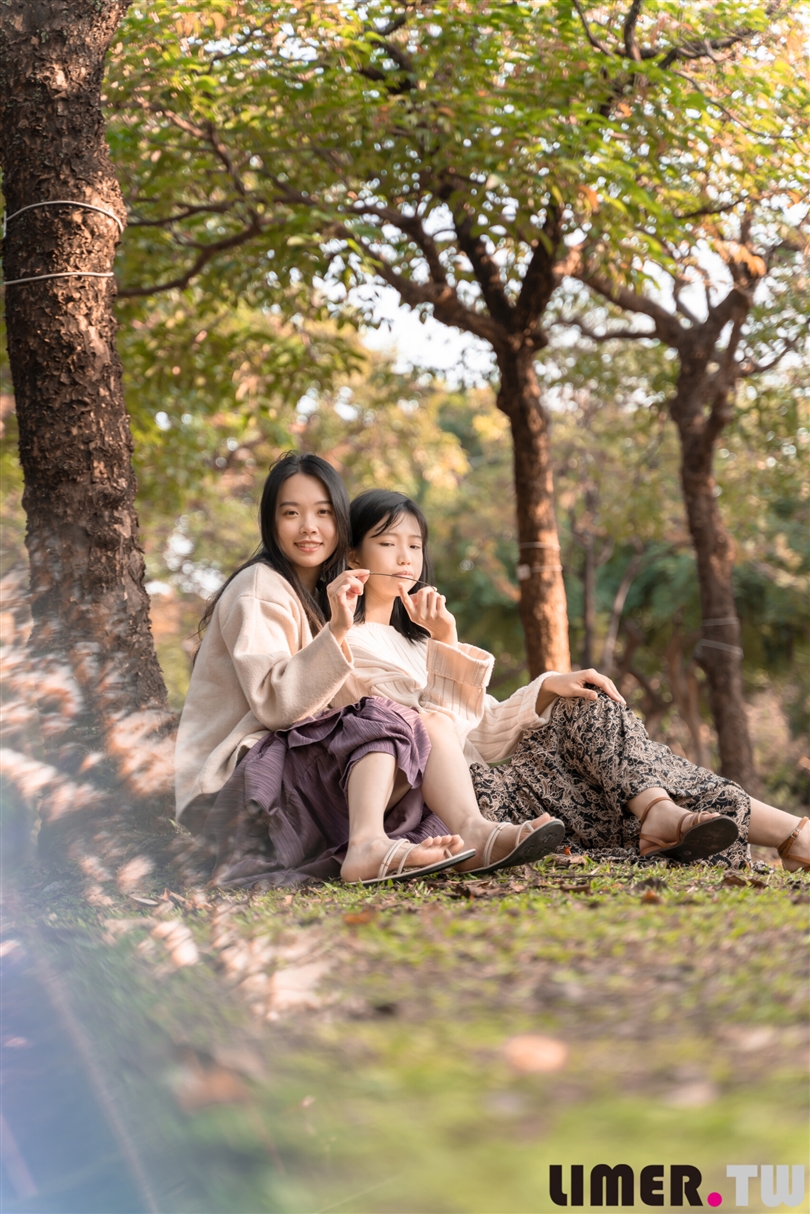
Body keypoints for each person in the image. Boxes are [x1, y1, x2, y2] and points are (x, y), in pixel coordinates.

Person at [344, 489, 810, 872]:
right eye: (387, 543)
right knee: (648, 775)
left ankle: (661, 812)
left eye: (414, 546)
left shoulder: (417, 640)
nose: (404, 558)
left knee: (588, 701)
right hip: (470, 801)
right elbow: (437, 738)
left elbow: (484, 724)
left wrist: (547, 687)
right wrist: (447, 642)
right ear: (353, 556)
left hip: (504, 776)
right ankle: (789, 834)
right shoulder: (351, 645)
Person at [175, 454, 562, 887]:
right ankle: (367, 845)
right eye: (291, 513)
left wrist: (544, 686)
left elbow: (459, 727)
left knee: (424, 723)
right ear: (271, 522)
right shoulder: (261, 588)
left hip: (281, 778)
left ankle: (471, 830)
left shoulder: (315, 598)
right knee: (386, 715)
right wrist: (340, 629)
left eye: (323, 513)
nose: (309, 527)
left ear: (340, 524)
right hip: (234, 792)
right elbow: (278, 708)